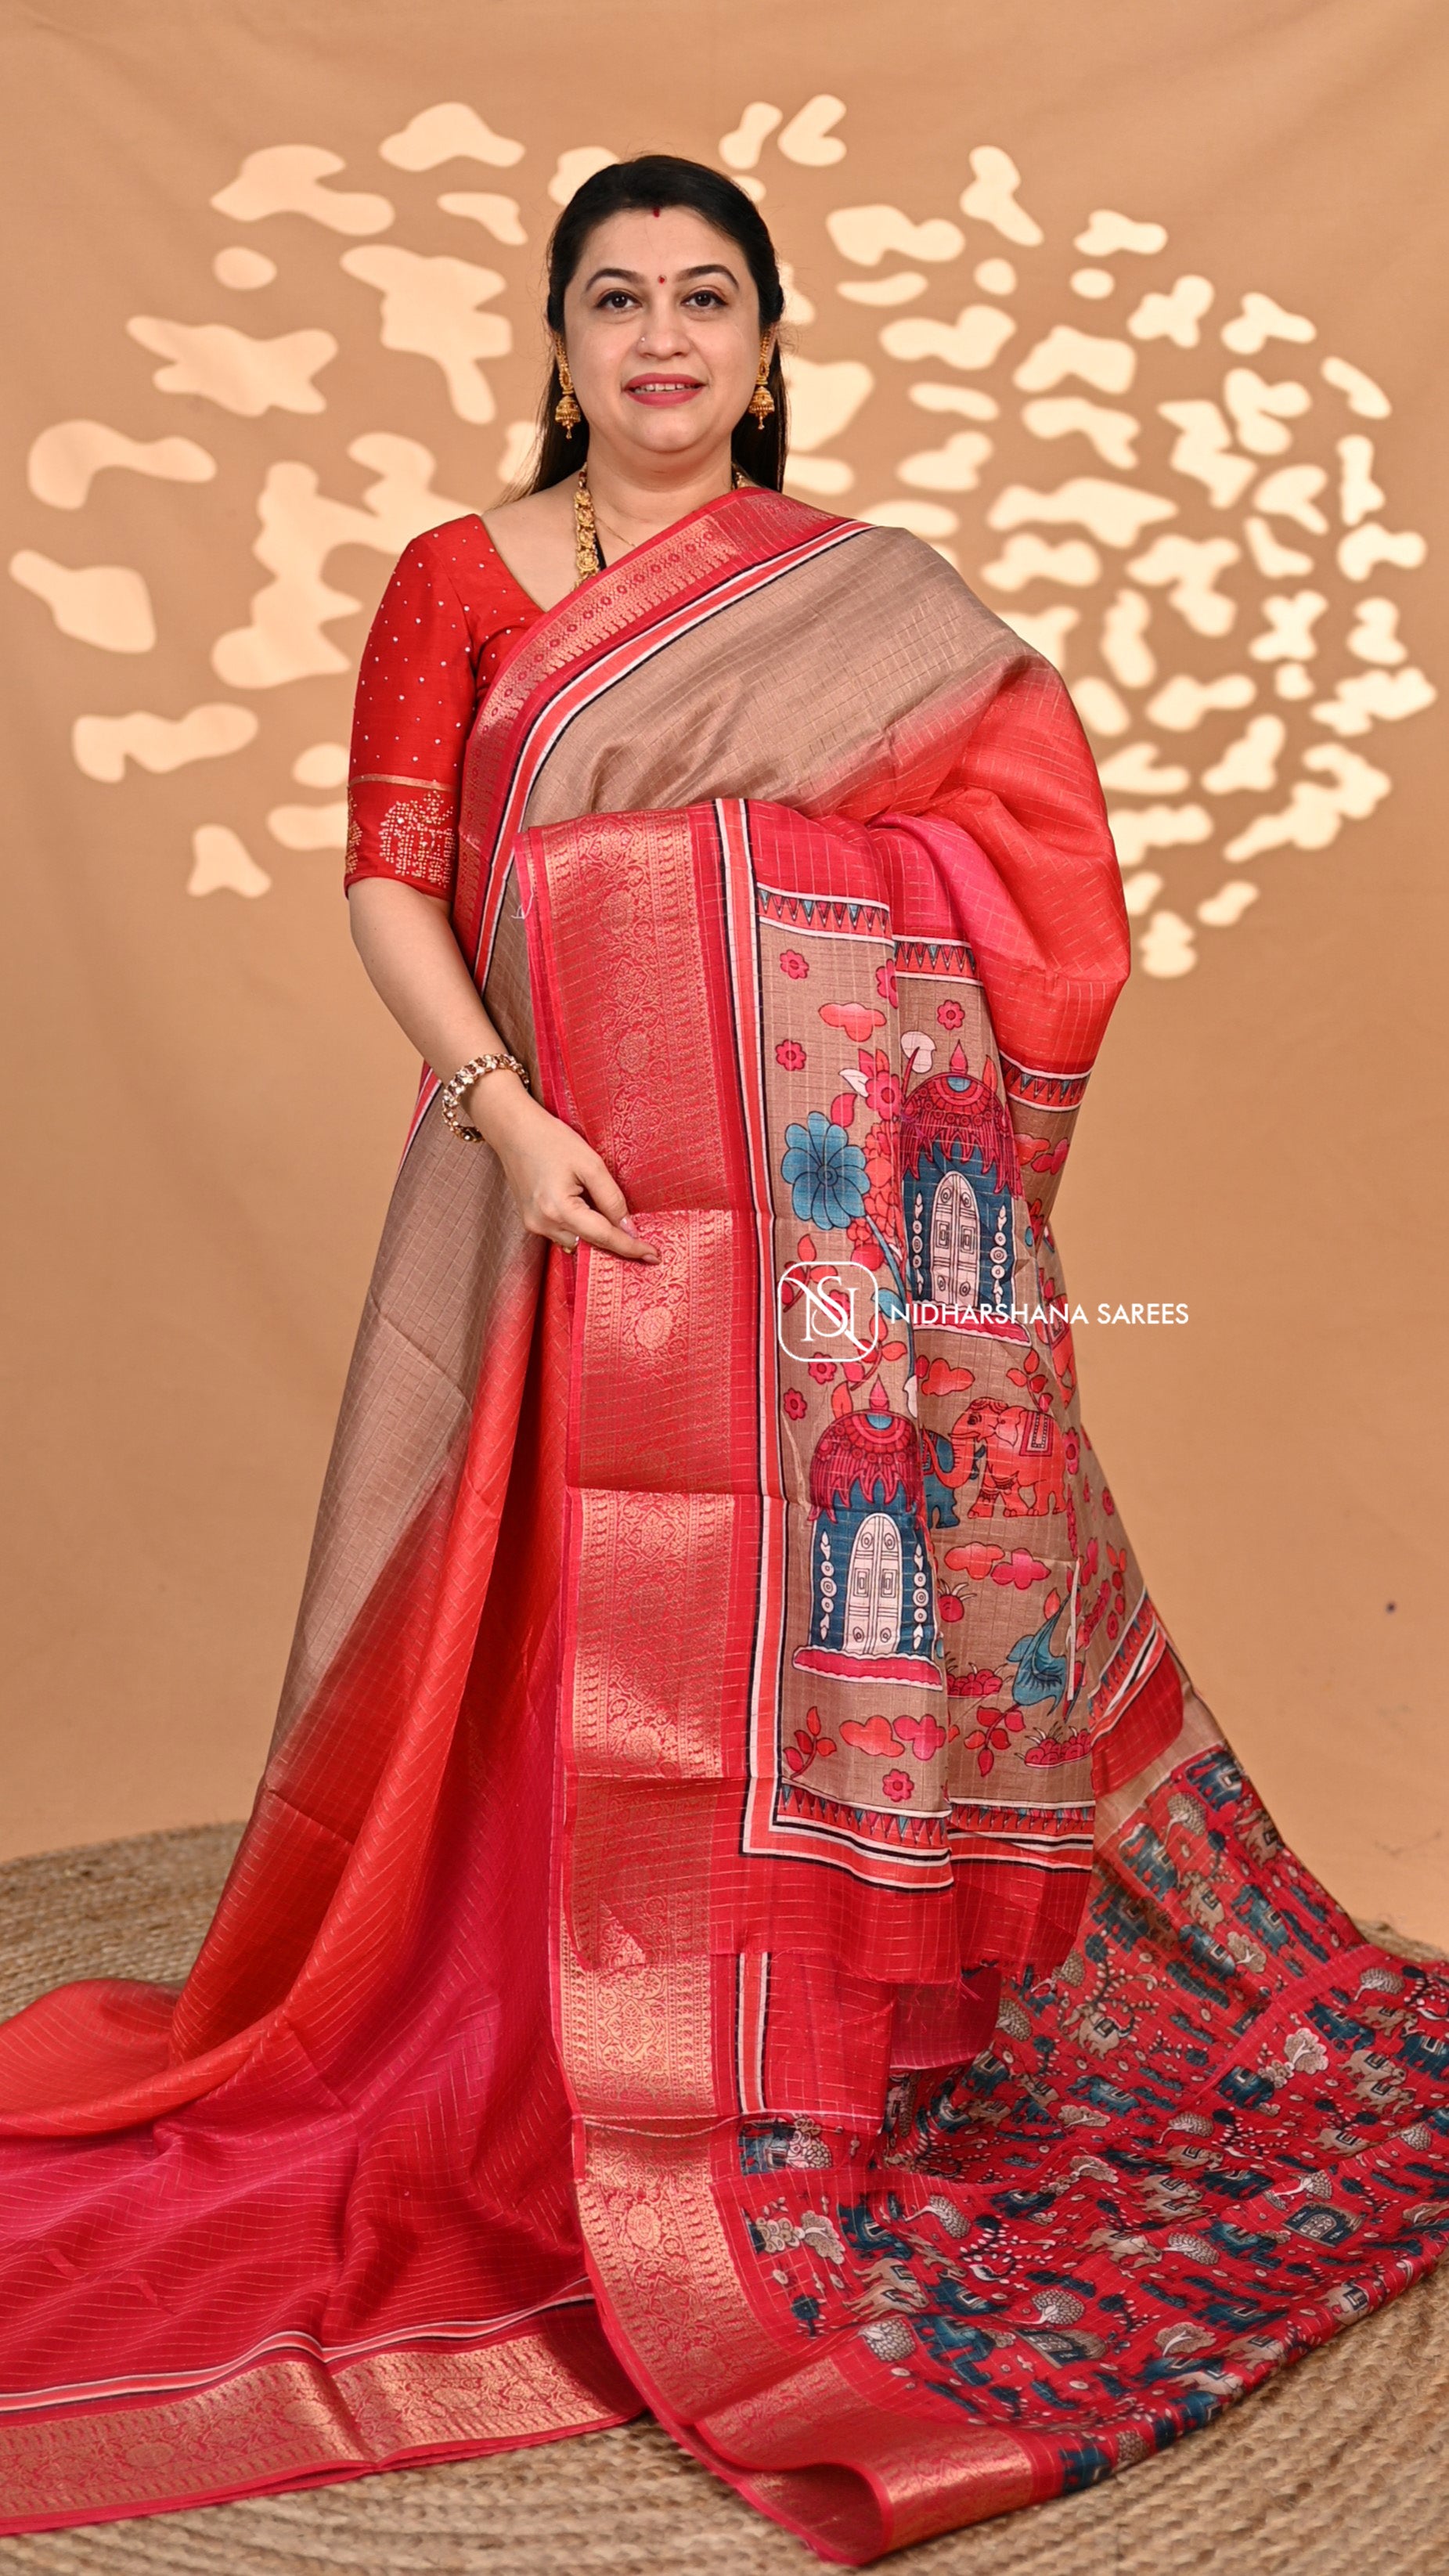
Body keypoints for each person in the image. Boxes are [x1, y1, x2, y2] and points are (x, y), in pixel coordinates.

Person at [0, 154, 1442, 2566]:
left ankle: (784, 2020)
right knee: (544, 1611)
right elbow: (389, 876)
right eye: (613, 298)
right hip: (551, 1173)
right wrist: (508, 1106)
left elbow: (1034, 881)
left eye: (702, 298)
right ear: (554, 338)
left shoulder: (875, 605)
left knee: (799, 1597)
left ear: (765, 344)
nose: (658, 338)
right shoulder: (463, 576)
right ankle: (528, 2024)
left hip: (823, 1226)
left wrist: (769, 946)